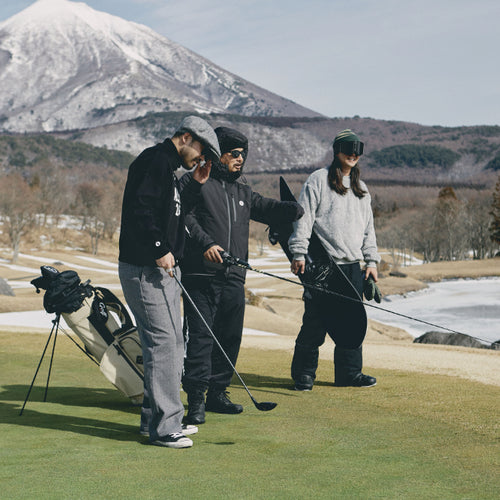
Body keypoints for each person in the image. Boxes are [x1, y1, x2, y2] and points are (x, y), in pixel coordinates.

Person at [179, 126, 304, 425]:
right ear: (218, 152)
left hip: (234, 276)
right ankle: (195, 399)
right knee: (201, 338)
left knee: (230, 337)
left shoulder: (243, 191)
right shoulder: (195, 182)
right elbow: (184, 216)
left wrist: (298, 210)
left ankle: (218, 394)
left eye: (243, 155)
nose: (240, 160)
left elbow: (268, 208)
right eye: (234, 154)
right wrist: (206, 244)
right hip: (200, 274)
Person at [118, 116, 220, 448]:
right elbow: (142, 210)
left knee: (172, 344)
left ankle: (158, 421)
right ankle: (165, 427)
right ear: (186, 138)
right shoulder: (155, 160)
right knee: (163, 344)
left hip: (160, 270)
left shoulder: (170, 170)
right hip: (145, 268)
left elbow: (171, 214)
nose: (201, 160)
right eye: (202, 152)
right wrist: (160, 248)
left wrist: (195, 184)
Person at [288, 129, 380, 391]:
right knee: (315, 321)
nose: (353, 154)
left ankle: (349, 374)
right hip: (322, 264)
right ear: (336, 150)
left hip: (352, 267)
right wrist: (298, 252)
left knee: (352, 321)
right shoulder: (317, 180)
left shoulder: (362, 189)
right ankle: (304, 374)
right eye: (348, 148)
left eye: (358, 149)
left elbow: (368, 230)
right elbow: (303, 220)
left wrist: (371, 262)